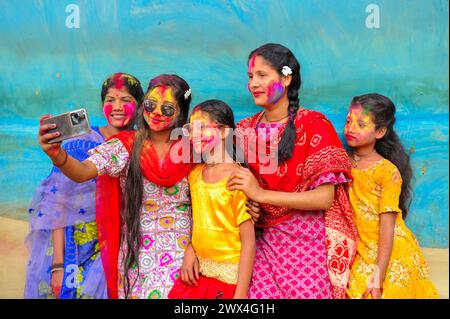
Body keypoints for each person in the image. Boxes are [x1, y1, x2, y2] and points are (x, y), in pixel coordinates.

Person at [37, 74, 194, 299]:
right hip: (136, 256)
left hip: (183, 256)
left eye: (168, 108)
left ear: (181, 113)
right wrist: (57, 155)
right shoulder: (125, 146)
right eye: (151, 104)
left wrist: (194, 249)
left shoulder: (193, 148)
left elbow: (206, 201)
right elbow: (82, 172)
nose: (157, 112)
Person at [229, 43, 358, 299]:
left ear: (286, 78)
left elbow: (324, 198)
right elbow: (234, 186)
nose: (254, 83)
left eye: (262, 75)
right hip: (261, 242)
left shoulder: (313, 125)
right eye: (250, 76)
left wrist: (260, 195)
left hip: (306, 241)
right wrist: (248, 203)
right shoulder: (243, 130)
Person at [25, 72, 143, 299]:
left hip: (125, 247)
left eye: (125, 100)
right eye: (110, 100)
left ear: (138, 106)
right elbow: (58, 202)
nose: (117, 106)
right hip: (78, 246)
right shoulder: (81, 142)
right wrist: (58, 264)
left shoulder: (143, 144)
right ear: (102, 105)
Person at [343, 93, 438, 299]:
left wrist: (379, 273)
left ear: (380, 131)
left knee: (383, 291)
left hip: (389, 249)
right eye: (349, 121)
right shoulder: (341, 162)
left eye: (361, 124)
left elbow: (388, 225)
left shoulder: (387, 171)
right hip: (359, 246)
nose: (351, 128)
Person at [168, 100, 255, 299]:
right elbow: (198, 221)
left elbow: (249, 242)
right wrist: (190, 248)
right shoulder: (195, 175)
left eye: (203, 127)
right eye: (191, 128)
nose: (194, 135)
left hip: (229, 281)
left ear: (225, 132)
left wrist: (240, 296)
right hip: (199, 275)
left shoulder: (238, 179)